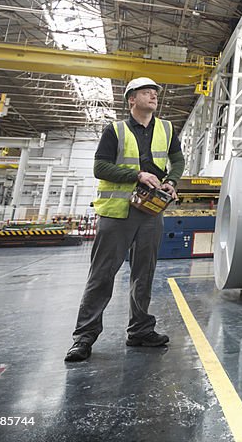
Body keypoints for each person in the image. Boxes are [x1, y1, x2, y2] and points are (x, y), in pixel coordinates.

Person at [64, 77, 184, 362]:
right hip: (117, 213)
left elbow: (177, 160)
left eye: (155, 91)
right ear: (132, 99)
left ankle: (140, 330)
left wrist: (171, 181)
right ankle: (84, 337)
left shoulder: (166, 129)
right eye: (146, 92)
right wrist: (137, 175)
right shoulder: (115, 130)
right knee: (102, 274)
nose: (153, 95)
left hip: (151, 211)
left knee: (144, 273)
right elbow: (100, 167)